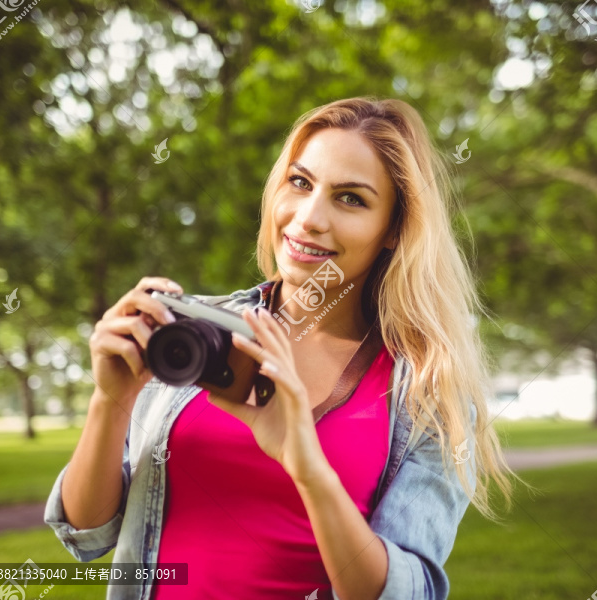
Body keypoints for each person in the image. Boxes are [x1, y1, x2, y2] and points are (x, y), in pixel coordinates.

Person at [45, 96, 517, 600]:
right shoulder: (187, 333)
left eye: (351, 198)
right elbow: (86, 533)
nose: (309, 218)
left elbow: (408, 592)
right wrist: (110, 400)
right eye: (300, 182)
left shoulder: (428, 392)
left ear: (393, 231)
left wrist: (306, 464)